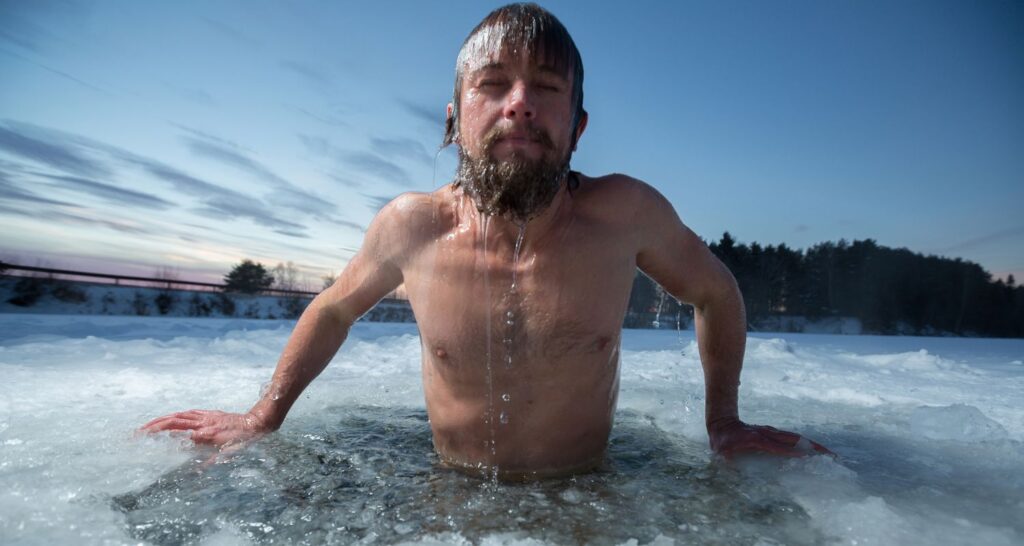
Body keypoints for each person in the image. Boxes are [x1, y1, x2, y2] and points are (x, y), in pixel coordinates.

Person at [141, 3, 830, 479]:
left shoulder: (626, 216)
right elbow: (332, 309)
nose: (520, 103)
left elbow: (714, 291)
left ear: (579, 125)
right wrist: (264, 415)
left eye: (546, 87)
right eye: (493, 85)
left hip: (590, 493)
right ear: (454, 119)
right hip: (451, 493)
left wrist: (725, 421)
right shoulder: (413, 226)